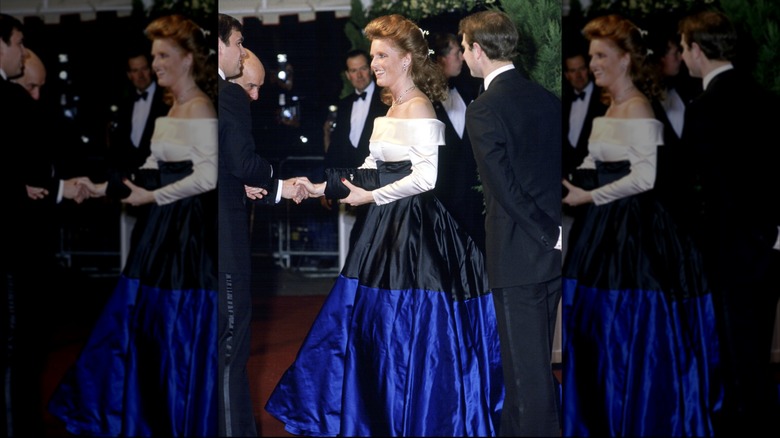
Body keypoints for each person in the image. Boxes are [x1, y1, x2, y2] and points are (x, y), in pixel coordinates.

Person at [265, 14, 503, 437]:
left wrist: (370, 197)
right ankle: (374, 407)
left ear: (406, 60)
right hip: (383, 230)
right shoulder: (390, 107)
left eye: (380, 56)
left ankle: (411, 412)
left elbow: (426, 178)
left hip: (417, 232)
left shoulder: (421, 107)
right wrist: (319, 186)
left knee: (410, 327)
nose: (373, 64)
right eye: (373, 56)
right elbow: (369, 169)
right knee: (367, 323)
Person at [47, 14, 220, 436]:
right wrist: (98, 187)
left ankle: (168, 414)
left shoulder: (200, 107)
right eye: (153, 55)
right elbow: (149, 169)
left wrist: (151, 197)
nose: (155, 63)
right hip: (158, 231)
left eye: (163, 55)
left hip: (185, 235)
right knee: (137, 321)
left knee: (170, 326)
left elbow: (209, 176)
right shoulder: (172, 108)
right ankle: (139, 409)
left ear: (187, 58)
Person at [561, 14, 722, 437]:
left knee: (627, 328)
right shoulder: (611, 105)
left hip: (635, 234)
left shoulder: (638, 107)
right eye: (592, 56)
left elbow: (644, 178)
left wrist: (588, 196)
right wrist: (572, 181)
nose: (592, 64)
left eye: (601, 55)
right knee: (595, 328)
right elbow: (595, 159)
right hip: (601, 232)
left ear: (626, 59)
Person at [458, 10, 562, 437]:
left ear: (478, 50)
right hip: (550, 253)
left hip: (520, 253)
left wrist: (545, 233)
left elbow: (503, 189)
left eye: (464, 48)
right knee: (530, 370)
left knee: (527, 376)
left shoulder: (484, 109)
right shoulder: (546, 98)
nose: (463, 56)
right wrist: (556, 233)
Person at [679, 10, 780, 436]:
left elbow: (695, 189)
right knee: (756, 357)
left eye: (683, 47)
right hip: (768, 246)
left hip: (727, 250)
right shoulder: (766, 98)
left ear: (697, 50)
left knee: (736, 363)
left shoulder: (704, 108)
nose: (682, 56)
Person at [1, 15, 91, 436]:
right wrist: (51, 188)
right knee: (15, 344)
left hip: (28, 241)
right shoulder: (8, 99)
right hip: (13, 244)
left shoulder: (22, 103)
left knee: (25, 344)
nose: (33, 95)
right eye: (18, 43)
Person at [217, 13, 306, 437]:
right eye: (238, 42)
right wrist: (273, 179)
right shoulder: (227, 94)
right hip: (223, 238)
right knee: (230, 346)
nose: (253, 96)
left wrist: (265, 185)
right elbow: (241, 162)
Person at [106, 43, 171, 268]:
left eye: (144, 69)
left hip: (160, 187)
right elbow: (118, 149)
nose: (140, 75)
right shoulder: (123, 104)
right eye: (135, 70)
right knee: (134, 246)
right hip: (130, 187)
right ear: (129, 74)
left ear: (151, 69)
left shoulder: (168, 101)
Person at [428, 31, 486, 252]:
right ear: (441, 59)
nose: (462, 58)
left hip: (472, 197)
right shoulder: (424, 101)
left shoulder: (468, 88)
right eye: (456, 53)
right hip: (443, 199)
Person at [562, 46, 608, 182]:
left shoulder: (605, 100)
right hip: (568, 181)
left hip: (597, 179)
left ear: (588, 70)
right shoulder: (562, 102)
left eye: (581, 69)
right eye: (573, 71)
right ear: (566, 75)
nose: (578, 76)